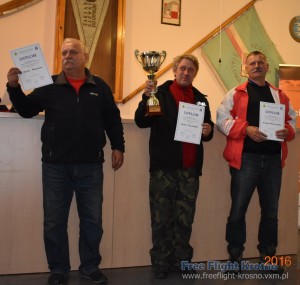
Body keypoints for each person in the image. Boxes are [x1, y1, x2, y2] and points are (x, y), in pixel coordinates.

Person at [7, 38, 125, 285]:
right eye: (64, 53)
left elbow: (113, 119)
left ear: (85, 57)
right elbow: (27, 110)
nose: (67, 56)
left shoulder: (99, 87)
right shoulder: (48, 85)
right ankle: (58, 269)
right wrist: (14, 87)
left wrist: (118, 146)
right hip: (55, 166)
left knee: (93, 221)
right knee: (54, 221)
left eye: (73, 52)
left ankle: (90, 266)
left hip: (91, 166)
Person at [135, 54, 214, 279]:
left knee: (184, 219)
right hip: (164, 169)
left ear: (194, 74)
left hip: (190, 170)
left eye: (190, 69)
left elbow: (206, 128)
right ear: (174, 70)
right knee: (161, 218)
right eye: (182, 68)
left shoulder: (200, 99)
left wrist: (208, 130)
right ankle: (160, 261)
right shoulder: (160, 94)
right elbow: (142, 120)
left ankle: (182, 260)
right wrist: (146, 96)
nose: (186, 72)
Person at [216, 50, 296, 273]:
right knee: (237, 210)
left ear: (267, 66)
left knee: (271, 212)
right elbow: (221, 121)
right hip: (245, 160)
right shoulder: (236, 93)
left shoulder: (280, 95)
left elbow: (293, 121)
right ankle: (235, 258)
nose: (257, 66)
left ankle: (268, 258)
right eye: (252, 63)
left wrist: (287, 131)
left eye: (261, 62)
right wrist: (247, 129)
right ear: (246, 68)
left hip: (273, 162)